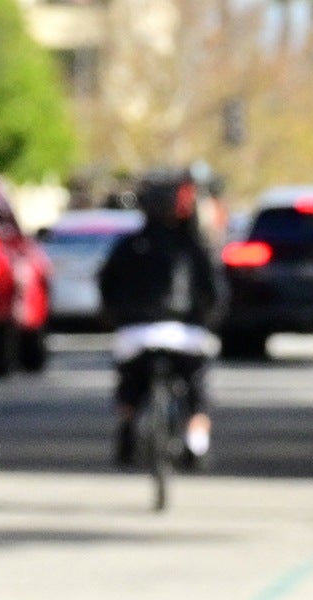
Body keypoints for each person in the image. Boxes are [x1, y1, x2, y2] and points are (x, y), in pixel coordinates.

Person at [96, 170, 225, 470]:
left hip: (135, 335)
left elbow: (107, 285)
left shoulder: (128, 246)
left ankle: (127, 429)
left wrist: (114, 317)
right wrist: (211, 319)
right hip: (186, 335)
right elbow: (214, 291)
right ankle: (197, 441)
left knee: (129, 385)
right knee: (198, 388)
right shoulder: (194, 247)